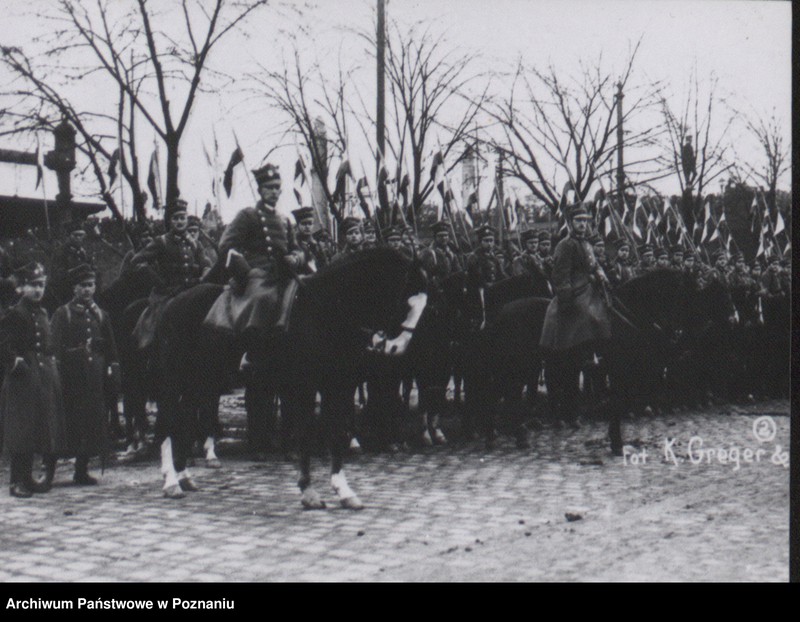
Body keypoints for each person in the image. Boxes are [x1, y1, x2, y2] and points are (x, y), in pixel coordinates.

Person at [539, 203, 611, 425]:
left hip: (589, 286)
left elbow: (594, 265)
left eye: (586, 221)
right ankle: (589, 353)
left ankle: (601, 352)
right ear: (570, 223)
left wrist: (601, 274)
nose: (583, 224)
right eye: (579, 221)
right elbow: (560, 275)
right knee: (587, 313)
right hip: (574, 291)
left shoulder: (587, 244)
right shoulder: (565, 245)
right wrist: (566, 299)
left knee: (608, 307)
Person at [48, 264, 119, 486]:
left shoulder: (101, 314)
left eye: (91, 285)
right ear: (74, 289)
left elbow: (111, 347)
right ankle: (49, 472)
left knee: (91, 422)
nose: (88, 290)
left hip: (94, 379)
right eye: (83, 286)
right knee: (66, 424)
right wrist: (78, 352)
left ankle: (81, 469)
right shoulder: (63, 313)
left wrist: (112, 368)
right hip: (71, 380)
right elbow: (55, 349)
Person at [0, 262, 66, 498]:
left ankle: (28, 477)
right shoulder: (14, 313)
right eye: (33, 285)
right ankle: (15, 481)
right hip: (22, 380)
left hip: (42, 377)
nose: (38, 290)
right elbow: (4, 345)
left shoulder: (42, 312)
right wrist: (15, 362)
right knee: (22, 429)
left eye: (41, 285)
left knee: (38, 426)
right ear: (21, 288)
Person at [129, 199, 211, 348]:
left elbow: (205, 261)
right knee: (155, 324)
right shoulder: (162, 242)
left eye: (182, 218)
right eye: (176, 218)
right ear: (170, 221)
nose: (180, 222)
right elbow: (137, 261)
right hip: (168, 292)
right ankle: (150, 354)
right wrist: (158, 281)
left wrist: (205, 271)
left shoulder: (195, 243)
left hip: (192, 289)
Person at [419, 221, 463, 288]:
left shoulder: (450, 252)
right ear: (435, 237)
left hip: (450, 288)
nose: (444, 238)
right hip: (435, 289)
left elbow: (457, 269)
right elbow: (424, 275)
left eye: (446, 235)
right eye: (440, 236)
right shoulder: (429, 253)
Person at [292, 207, 327, 272]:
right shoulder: (294, 245)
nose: (307, 226)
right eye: (304, 223)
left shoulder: (317, 245)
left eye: (310, 223)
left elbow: (324, 266)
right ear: (297, 225)